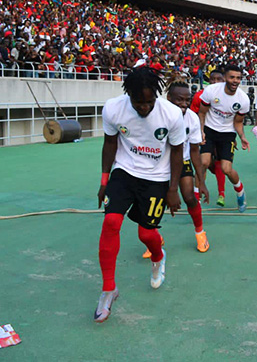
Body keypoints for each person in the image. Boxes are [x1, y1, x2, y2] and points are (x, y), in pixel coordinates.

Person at [95, 67, 185, 323]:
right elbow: (110, 143)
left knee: (146, 234)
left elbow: (177, 152)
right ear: (129, 95)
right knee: (111, 222)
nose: (144, 107)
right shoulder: (113, 108)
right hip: (125, 171)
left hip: (157, 178)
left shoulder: (171, 114)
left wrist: (172, 189)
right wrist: (104, 180)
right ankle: (109, 289)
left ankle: (158, 257)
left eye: (149, 101)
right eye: (138, 102)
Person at [141, 76, 210, 257]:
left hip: (183, 161)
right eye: (179, 99)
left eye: (187, 100)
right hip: (158, 164)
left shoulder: (193, 119)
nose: (184, 103)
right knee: (154, 203)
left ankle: (200, 233)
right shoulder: (156, 115)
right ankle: (154, 238)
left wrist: (200, 181)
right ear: (169, 98)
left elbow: (194, 151)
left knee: (189, 196)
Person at [198, 65, 250, 213]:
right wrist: (200, 131)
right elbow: (202, 113)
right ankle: (196, 197)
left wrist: (242, 137)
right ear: (225, 78)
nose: (235, 81)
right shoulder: (211, 91)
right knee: (204, 162)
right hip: (209, 130)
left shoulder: (243, 99)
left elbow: (238, 122)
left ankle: (240, 192)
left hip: (227, 134)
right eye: (232, 77)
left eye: (238, 78)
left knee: (226, 169)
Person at [190, 70, 227, 206]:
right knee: (203, 163)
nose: (215, 82)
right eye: (212, 79)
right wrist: (197, 134)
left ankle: (221, 194)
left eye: (219, 79)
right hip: (205, 134)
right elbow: (193, 116)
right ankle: (197, 195)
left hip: (223, 134)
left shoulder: (230, 96)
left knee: (220, 164)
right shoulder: (199, 96)